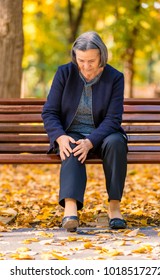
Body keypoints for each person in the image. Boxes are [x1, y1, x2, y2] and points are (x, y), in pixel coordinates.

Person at [42, 31, 128, 232]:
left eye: (91, 61)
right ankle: (70, 210)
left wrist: (91, 141)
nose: (86, 66)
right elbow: (50, 112)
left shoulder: (115, 77)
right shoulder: (65, 73)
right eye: (81, 60)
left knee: (116, 143)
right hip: (71, 132)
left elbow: (113, 119)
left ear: (101, 57)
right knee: (70, 145)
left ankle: (114, 208)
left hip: (104, 133)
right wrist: (59, 136)